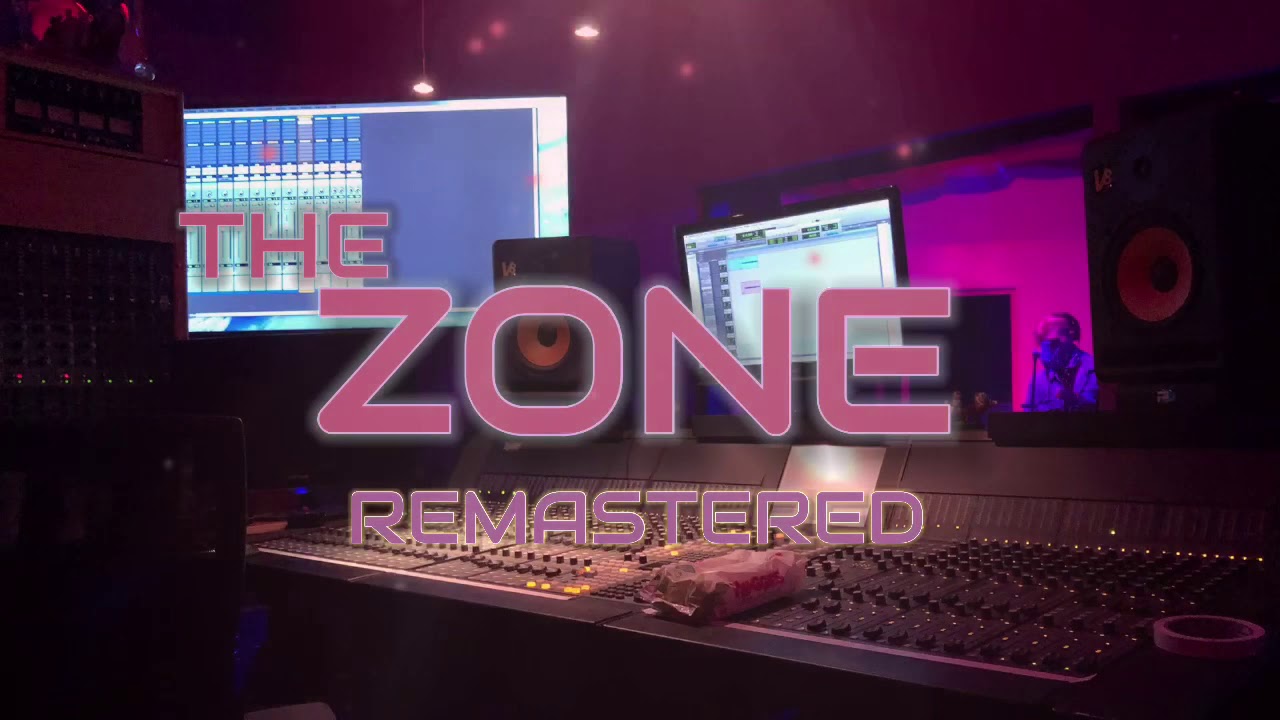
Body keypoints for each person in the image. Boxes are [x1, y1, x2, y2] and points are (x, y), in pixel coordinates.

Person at [1024, 312, 1098, 412]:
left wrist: (1072, 398)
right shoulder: (1038, 381)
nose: (1048, 347)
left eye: (1053, 342)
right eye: (1044, 342)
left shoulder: (1091, 366)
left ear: (1071, 335)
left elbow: (1094, 405)